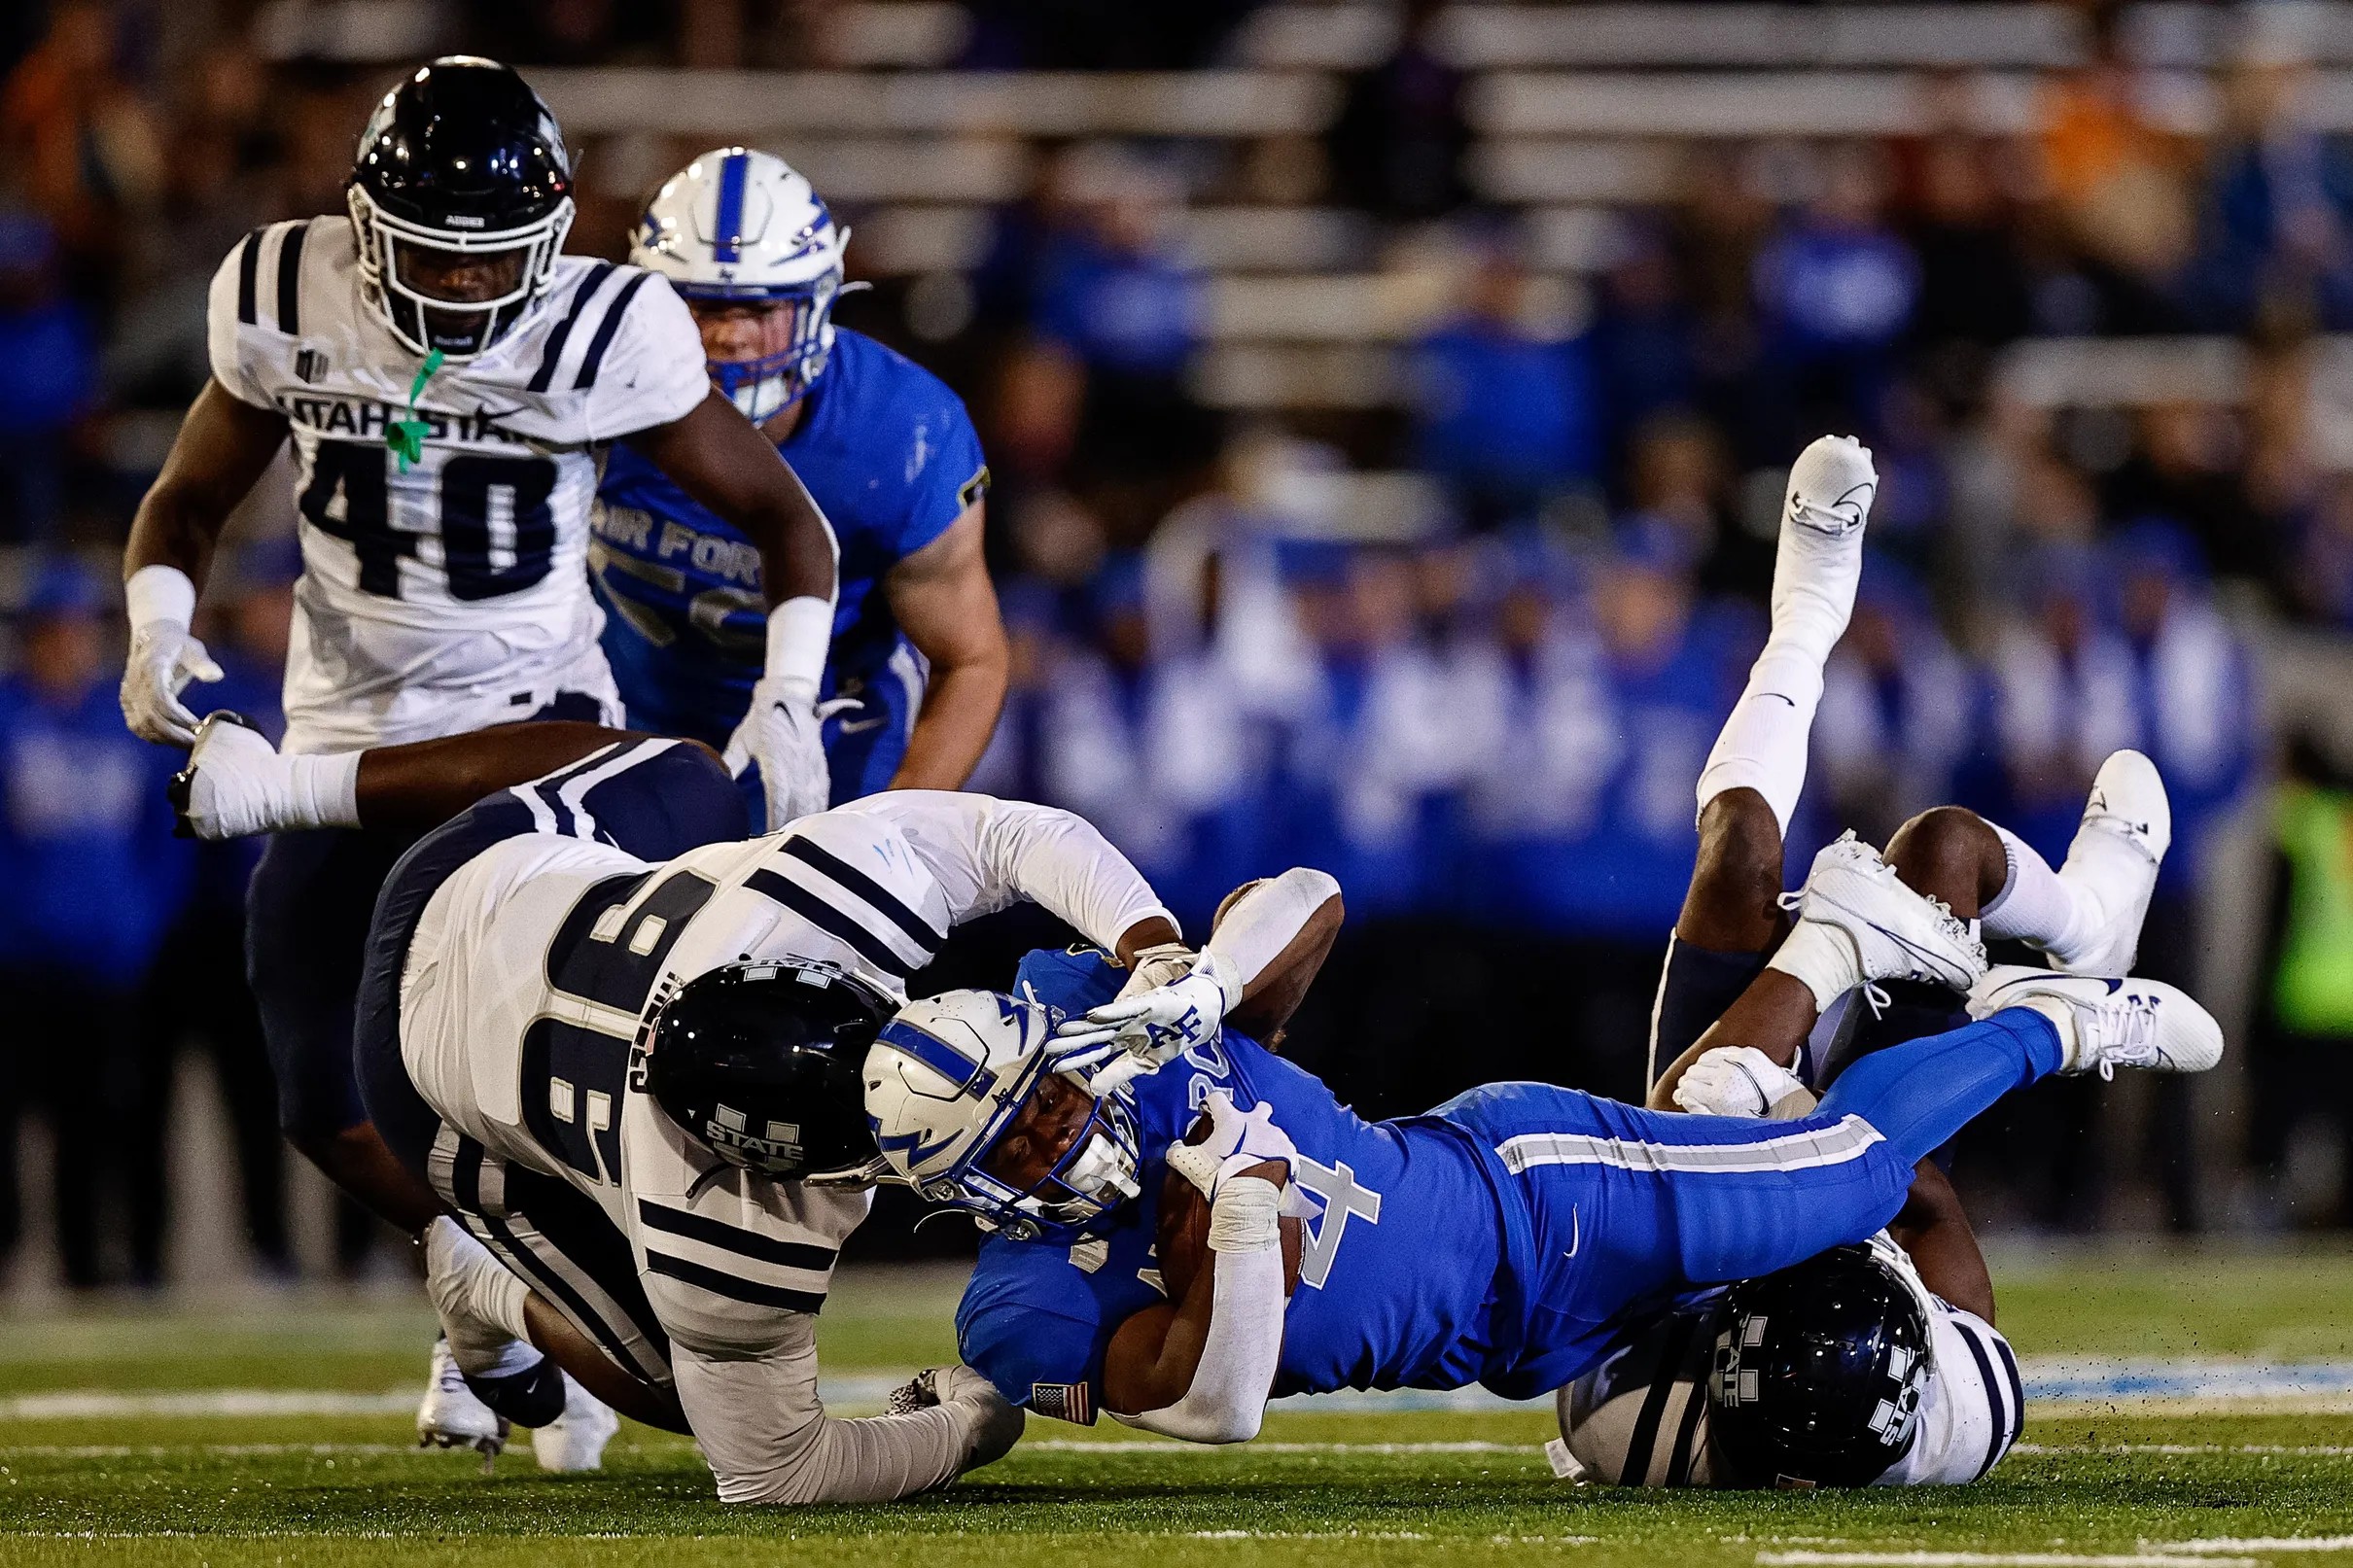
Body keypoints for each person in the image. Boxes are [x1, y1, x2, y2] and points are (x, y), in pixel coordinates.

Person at [874, 437, 2216, 1452]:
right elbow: (1215, 1402)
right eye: (1018, 1147)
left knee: (1782, 1075)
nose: (1057, 1133)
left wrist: (1193, 985)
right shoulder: (1016, 1307)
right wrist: (1230, 1224)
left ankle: (2061, 1001)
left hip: (1531, 1199)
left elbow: (1310, 895)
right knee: (1889, 1048)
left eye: (1041, 1098)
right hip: (1572, 1340)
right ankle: (2053, 990)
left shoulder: (1095, 1030)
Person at [116, 59, 842, 1463]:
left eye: (489, 258)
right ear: (364, 220)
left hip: (531, 722)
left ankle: (557, 1310)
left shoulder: (604, 329)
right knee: (322, 1099)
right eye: (432, 257)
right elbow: (186, 498)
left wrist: (792, 697)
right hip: (343, 719)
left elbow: (785, 523)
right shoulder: (285, 292)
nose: (459, 291)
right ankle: (490, 1295)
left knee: (540, 1059)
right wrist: (157, 628)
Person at [165, 706, 1240, 1502]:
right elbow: (773, 1471)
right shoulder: (729, 1233)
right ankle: (478, 1275)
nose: (1060, 1136)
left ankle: (293, 786)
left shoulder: (818, 905)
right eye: (1011, 1145)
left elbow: (1016, 836)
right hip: (428, 1084)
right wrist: (968, 1428)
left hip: (481, 877)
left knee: (689, 775)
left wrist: (1150, 943)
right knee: (678, 1379)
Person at [594, 149, 1006, 809]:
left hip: (827, 729)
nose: (730, 337)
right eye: (701, 307)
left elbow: (971, 659)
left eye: (759, 310)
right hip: (624, 713)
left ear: (816, 305)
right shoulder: (594, 389)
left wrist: (895, 826)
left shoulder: (901, 434)